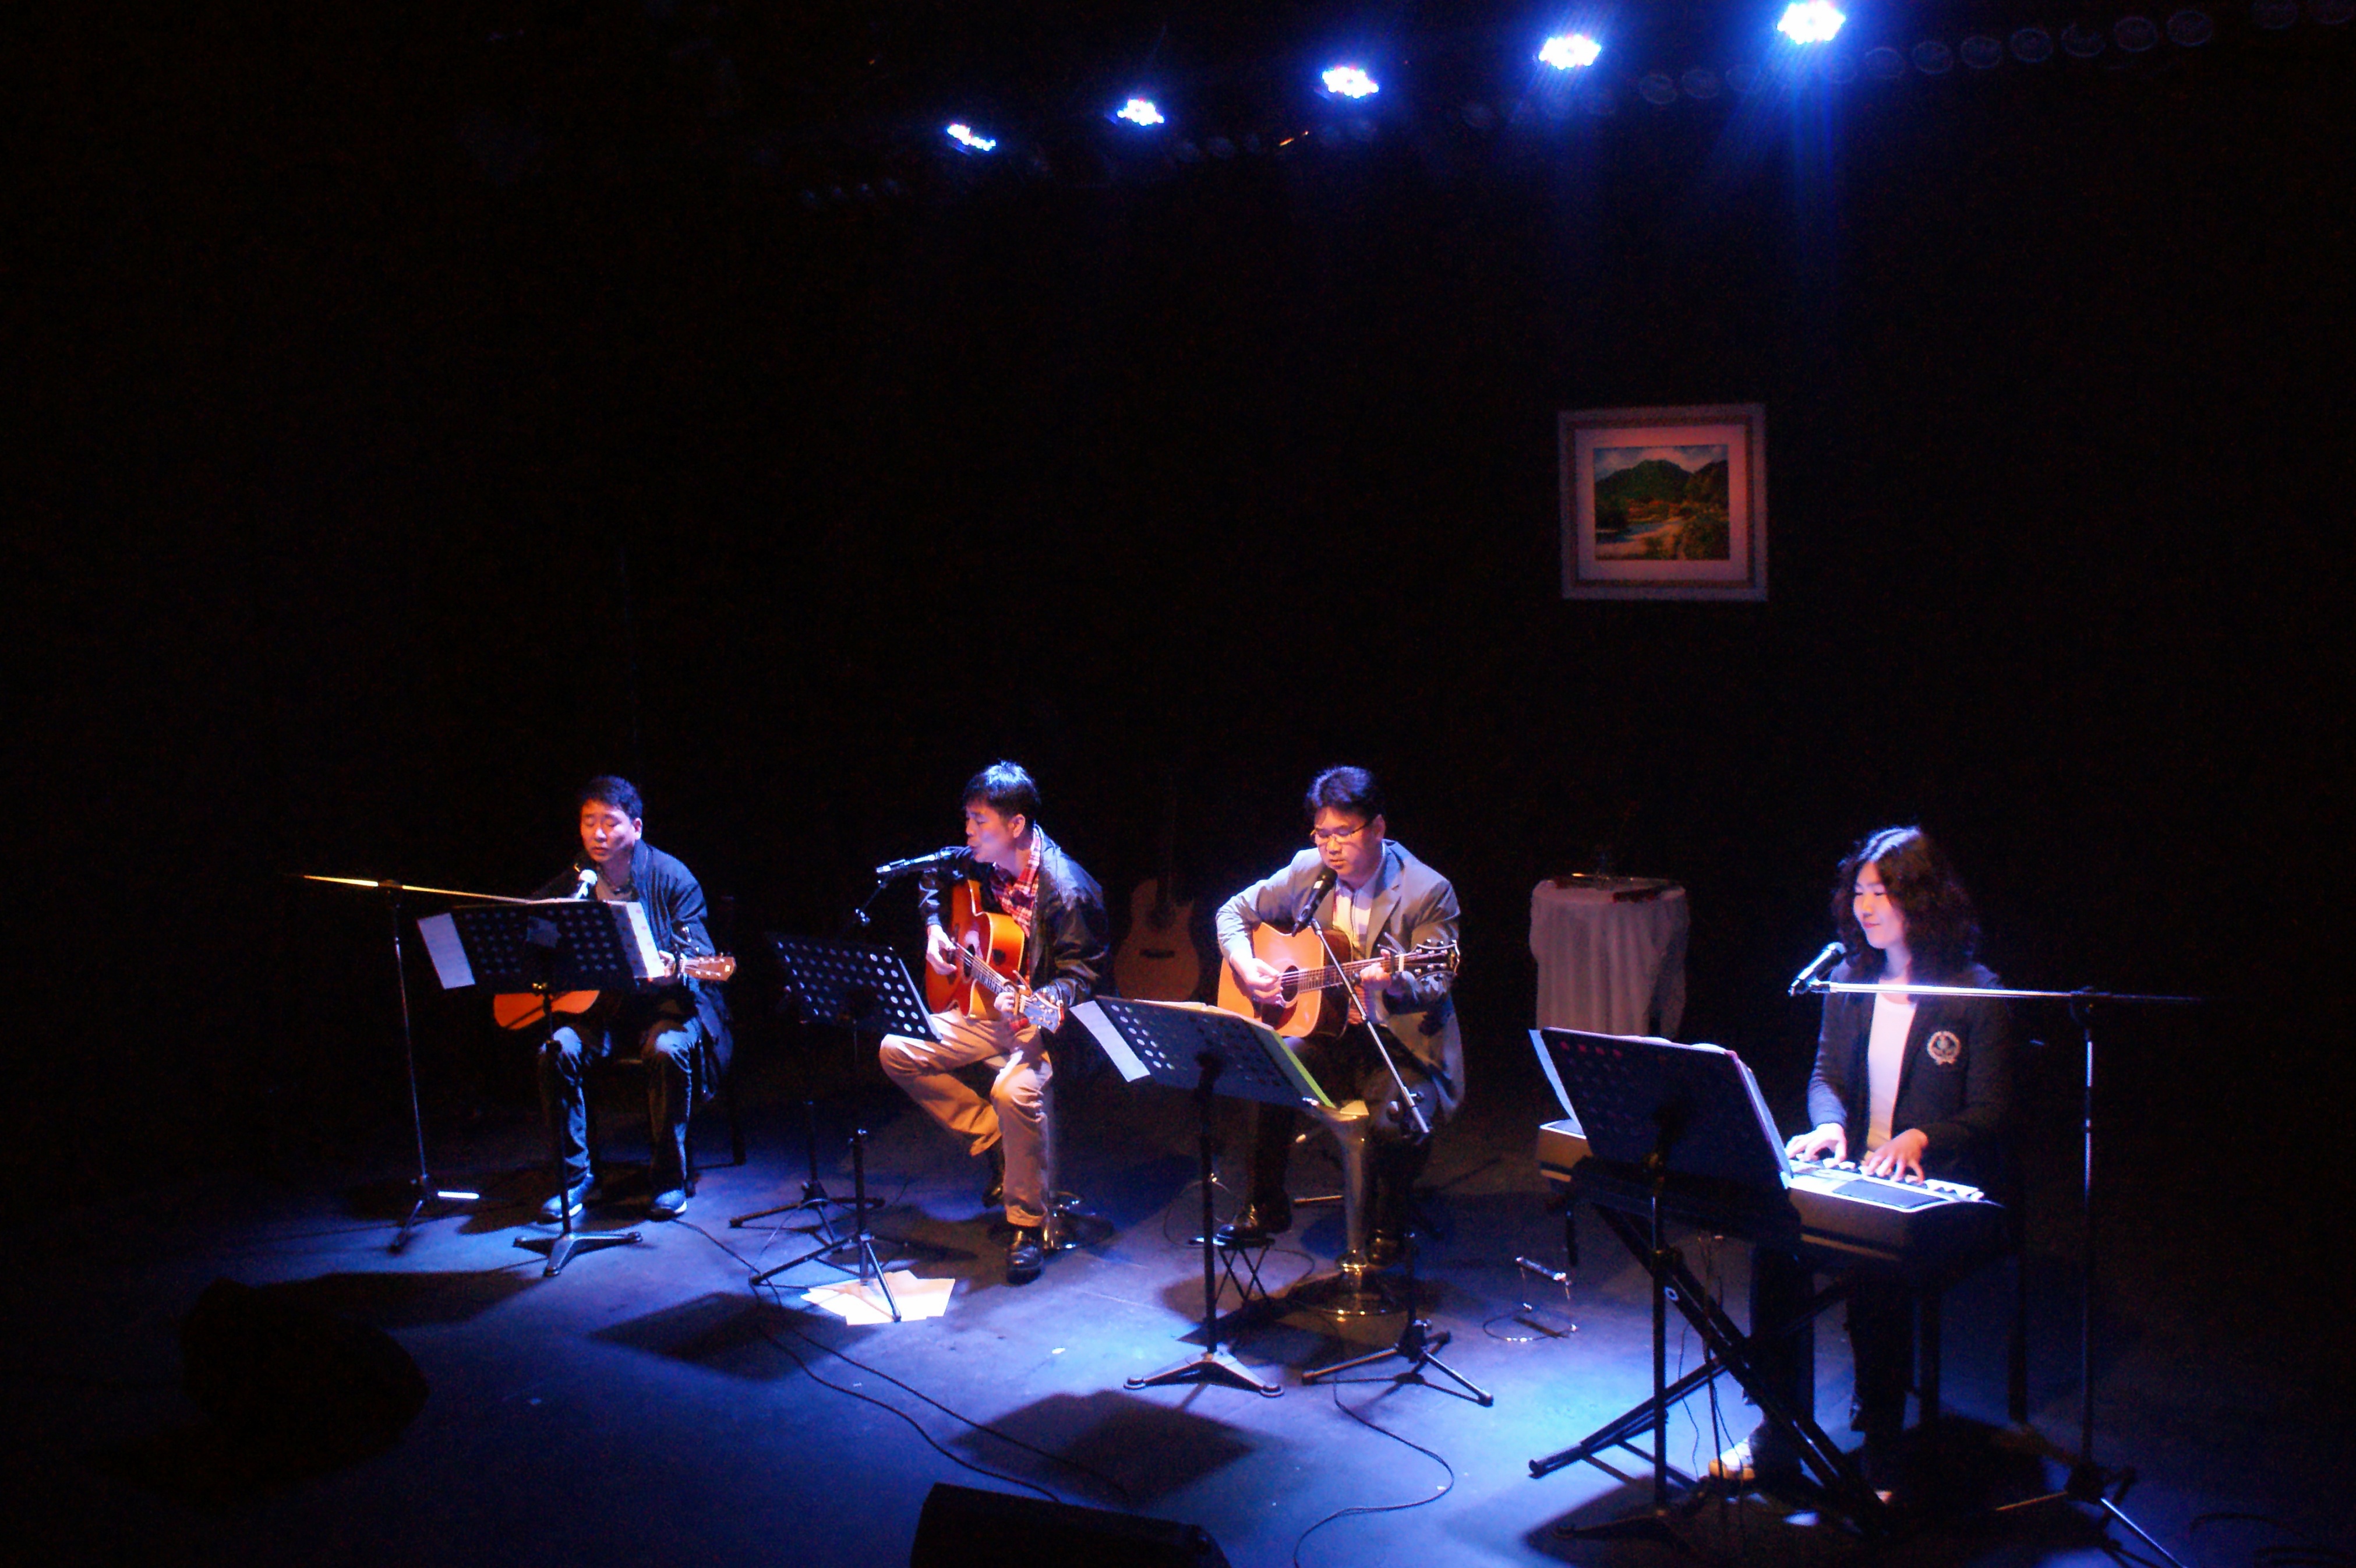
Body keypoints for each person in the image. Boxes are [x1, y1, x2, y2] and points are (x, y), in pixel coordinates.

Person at [1717, 824, 2015, 1493]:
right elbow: (1825, 1075)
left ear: (1923, 898)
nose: (1866, 906)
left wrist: (1923, 1137)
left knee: (1877, 1266)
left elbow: (1993, 1107)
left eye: (1881, 892)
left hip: (1934, 1184)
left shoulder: (1973, 989)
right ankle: (1777, 1428)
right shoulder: (1849, 978)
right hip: (1860, 1170)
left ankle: (1883, 1441)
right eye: (1859, 892)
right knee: (1775, 1245)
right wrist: (1829, 1125)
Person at [1212, 767, 1463, 1268]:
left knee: (1399, 1121)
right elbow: (1231, 912)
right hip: (1327, 1035)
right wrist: (1245, 964)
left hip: (1397, 1043)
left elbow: (1436, 982)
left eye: (1343, 833)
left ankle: (1389, 1227)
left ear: (1377, 828)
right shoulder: (1307, 870)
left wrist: (1394, 982)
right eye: (1321, 834)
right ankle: (1264, 1204)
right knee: (1266, 1067)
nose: (1331, 847)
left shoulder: (1427, 890)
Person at [878, 762, 1109, 1285]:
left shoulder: (1068, 890)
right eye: (968, 819)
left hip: (1051, 1025)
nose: (968, 831)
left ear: (1016, 825)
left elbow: (1086, 979)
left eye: (978, 821)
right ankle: (993, 1138)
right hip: (988, 1009)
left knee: (1012, 1092)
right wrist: (934, 929)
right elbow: (932, 874)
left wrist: (1037, 1001)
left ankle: (1027, 1224)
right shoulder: (985, 862)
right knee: (896, 1048)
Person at [534, 776, 732, 1223]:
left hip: (668, 1005)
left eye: (610, 823)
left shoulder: (671, 876)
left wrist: (675, 966)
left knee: (666, 1050)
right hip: (601, 1010)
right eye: (589, 823)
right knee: (554, 1051)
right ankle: (576, 1178)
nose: (598, 834)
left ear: (636, 828)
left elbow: (702, 955)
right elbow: (533, 924)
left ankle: (668, 1179)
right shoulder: (576, 878)